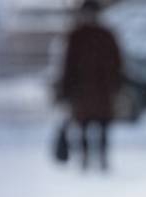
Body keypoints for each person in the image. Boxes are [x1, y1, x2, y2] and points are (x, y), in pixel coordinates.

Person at [56, 0, 122, 171]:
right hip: (87, 89)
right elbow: (68, 65)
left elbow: (116, 62)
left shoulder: (99, 35)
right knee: (86, 126)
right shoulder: (79, 36)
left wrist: (116, 83)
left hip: (97, 89)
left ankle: (100, 159)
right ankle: (89, 159)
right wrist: (65, 88)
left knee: (100, 125)